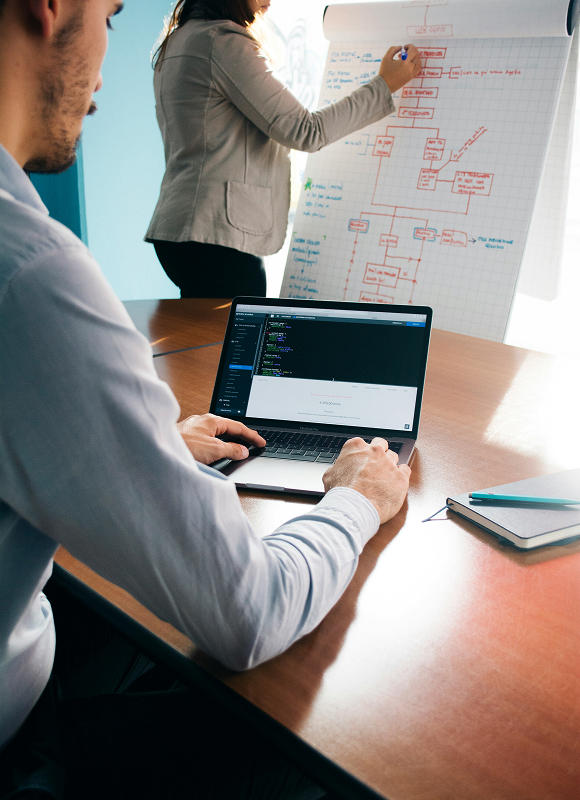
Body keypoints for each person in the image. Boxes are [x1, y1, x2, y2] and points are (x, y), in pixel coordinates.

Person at [0, 0, 411, 797]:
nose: (105, 70)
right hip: (24, 751)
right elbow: (249, 609)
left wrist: (137, 445)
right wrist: (355, 499)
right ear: (52, 8)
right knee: (318, 745)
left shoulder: (181, 42)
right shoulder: (30, 276)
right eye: (111, 16)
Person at [145, 0, 422, 297]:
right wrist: (384, 85)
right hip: (216, 238)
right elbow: (306, 130)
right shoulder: (223, 43)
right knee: (244, 342)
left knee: (209, 343)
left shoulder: (181, 39)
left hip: (180, 232)